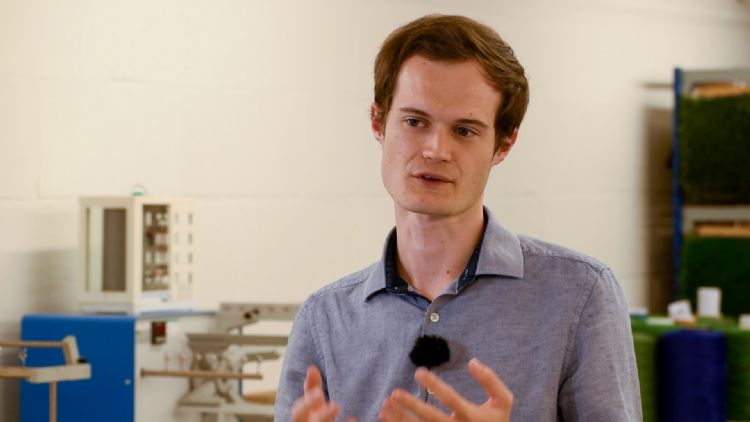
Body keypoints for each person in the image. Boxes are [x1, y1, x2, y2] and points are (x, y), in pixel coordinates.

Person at [275, 14, 641, 422]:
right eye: (415, 122)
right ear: (378, 123)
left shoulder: (580, 295)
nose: (436, 150)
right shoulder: (324, 318)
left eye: (464, 130)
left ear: (504, 144)